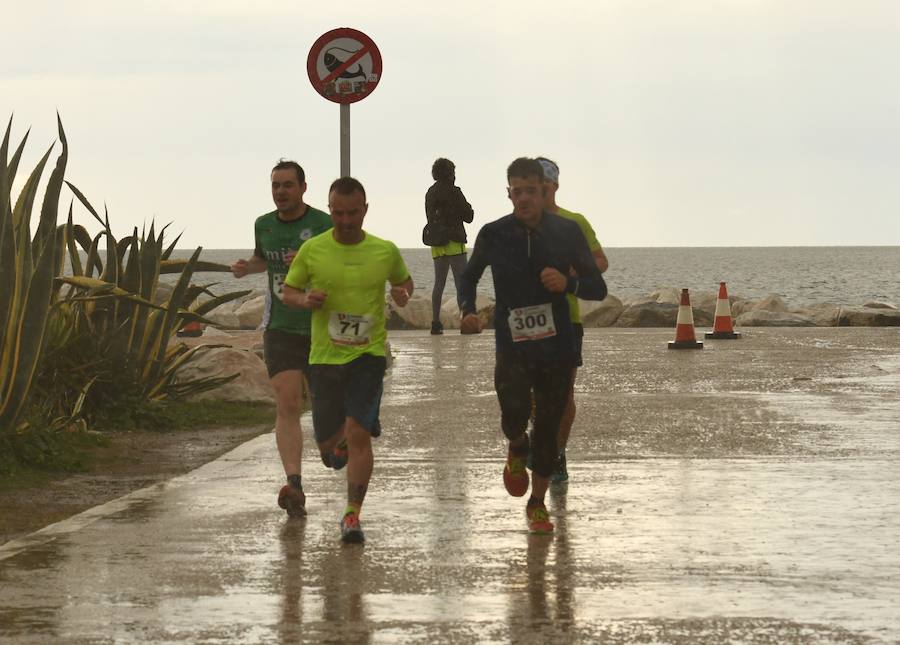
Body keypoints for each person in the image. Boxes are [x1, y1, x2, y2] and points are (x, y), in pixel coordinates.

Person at [458, 157, 607, 534]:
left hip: (557, 345)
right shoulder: (493, 234)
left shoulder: (568, 232)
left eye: (531, 191)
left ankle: (538, 503)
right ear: (508, 193)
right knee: (513, 413)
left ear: (543, 192)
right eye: (517, 191)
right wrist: (467, 311)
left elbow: (598, 288)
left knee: (549, 425)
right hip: (513, 346)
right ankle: (515, 444)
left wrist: (568, 284)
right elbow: (469, 276)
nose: (524, 198)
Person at [282, 176, 413, 544]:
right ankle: (339, 443)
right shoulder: (313, 250)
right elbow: (289, 291)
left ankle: (352, 515)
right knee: (329, 454)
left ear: (365, 210)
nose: (345, 221)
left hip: (367, 355)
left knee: (358, 434)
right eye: (338, 213)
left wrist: (402, 295)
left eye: (353, 213)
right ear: (330, 210)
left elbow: (405, 283)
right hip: (324, 358)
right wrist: (305, 300)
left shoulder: (384, 250)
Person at [231, 160, 334, 519]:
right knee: (287, 403)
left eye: (288, 185)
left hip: (322, 328)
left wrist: (309, 261)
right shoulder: (264, 225)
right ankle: (295, 484)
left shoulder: (322, 223)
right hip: (281, 326)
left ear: (304, 187)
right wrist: (248, 267)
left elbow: (342, 261)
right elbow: (264, 260)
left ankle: (331, 445)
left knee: (325, 407)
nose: (281, 192)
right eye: (276, 185)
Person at [536, 156, 609, 484]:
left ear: (555, 186)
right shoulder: (518, 223)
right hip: (528, 321)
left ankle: (558, 455)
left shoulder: (574, 222)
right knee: (533, 395)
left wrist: (571, 273)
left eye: (546, 186)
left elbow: (600, 261)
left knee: (564, 394)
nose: (540, 192)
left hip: (566, 320)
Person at [423, 158, 474, 335]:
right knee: (462, 283)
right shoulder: (454, 192)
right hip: (454, 240)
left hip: (436, 243)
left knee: (439, 283)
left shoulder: (430, 193)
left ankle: (435, 323)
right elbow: (468, 216)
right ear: (450, 173)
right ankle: (465, 321)